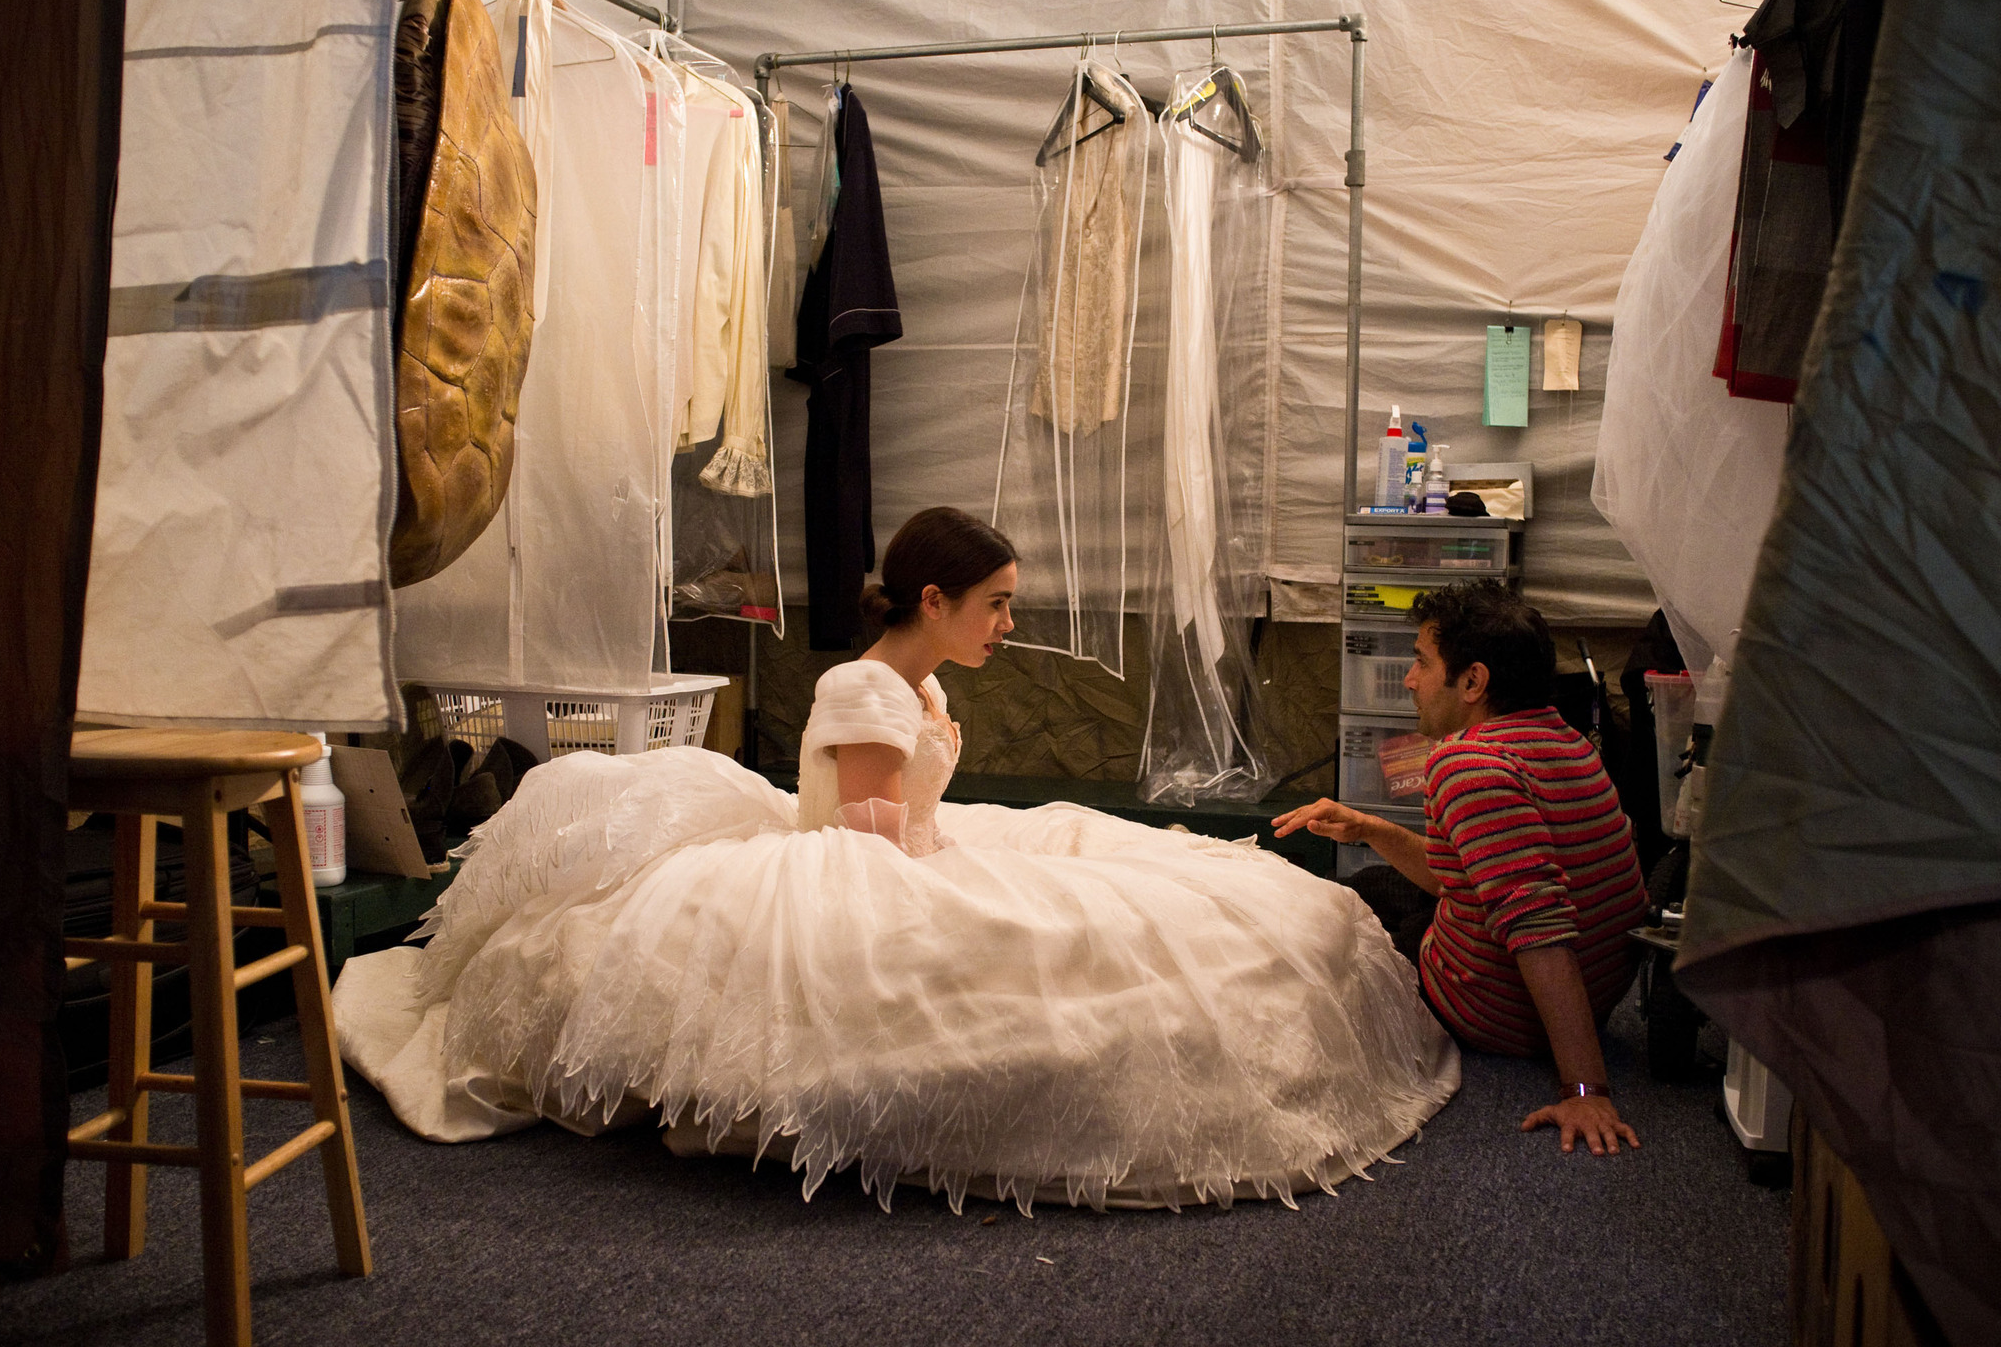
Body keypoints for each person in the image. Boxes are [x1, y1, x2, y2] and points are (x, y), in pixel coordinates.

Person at [334, 507, 1458, 1213]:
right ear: (934, 600)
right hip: (851, 863)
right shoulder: (863, 687)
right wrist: (966, 887)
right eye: (995, 605)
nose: (1006, 625)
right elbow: (866, 838)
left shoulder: (917, 682)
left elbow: (908, 813)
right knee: (1045, 940)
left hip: (901, 844)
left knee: (1171, 902)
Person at [1273, 581, 1648, 1157]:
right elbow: (1467, 879)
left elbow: (1537, 927)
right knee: (1377, 879)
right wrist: (1371, 829)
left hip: (1494, 1015)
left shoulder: (1467, 764)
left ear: (1472, 682)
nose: (1410, 680)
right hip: (1592, 997)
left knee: (1330, 915)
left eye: (1422, 663)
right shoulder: (1567, 742)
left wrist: (1584, 1088)